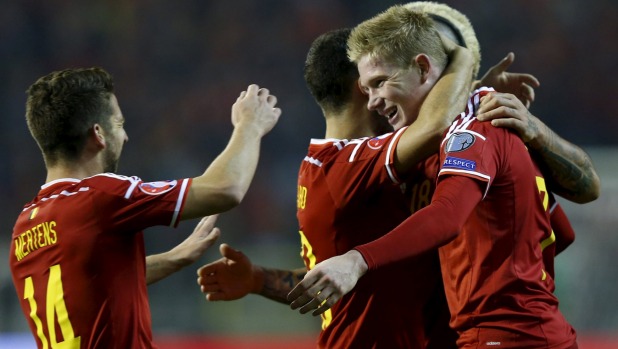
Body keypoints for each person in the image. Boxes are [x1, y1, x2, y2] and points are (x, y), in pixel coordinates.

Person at [287, 5, 595, 349]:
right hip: (517, 332)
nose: (372, 101)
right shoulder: (446, 143)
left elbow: (448, 214)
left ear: (425, 67)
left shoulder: (476, 125)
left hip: (505, 335)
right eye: (366, 88)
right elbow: (559, 232)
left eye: (379, 83)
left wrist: (357, 260)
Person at [9, 67, 281, 348]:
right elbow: (225, 189)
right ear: (99, 134)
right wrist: (250, 126)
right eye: (119, 124)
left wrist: (173, 258)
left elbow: (88, 282)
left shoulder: (26, 225)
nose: (125, 136)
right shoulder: (100, 195)